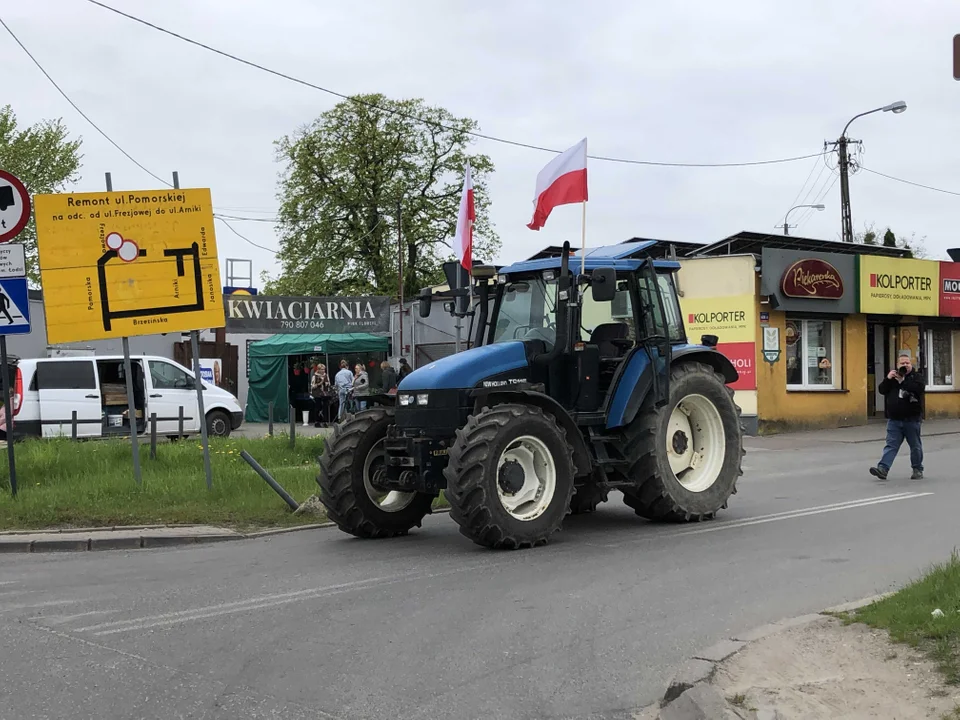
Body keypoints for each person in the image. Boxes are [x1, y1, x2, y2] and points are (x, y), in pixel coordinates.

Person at [870, 352, 925, 480]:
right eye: (902, 363)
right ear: (897, 365)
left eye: (907, 363)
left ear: (911, 364)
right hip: (894, 419)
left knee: (915, 445)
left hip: (912, 419)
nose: (905, 365)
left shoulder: (916, 377)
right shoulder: (893, 378)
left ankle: (917, 469)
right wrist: (888, 379)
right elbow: (882, 390)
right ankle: (883, 469)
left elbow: (919, 389)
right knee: (891, 445)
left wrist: (903, 381)